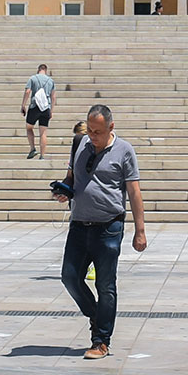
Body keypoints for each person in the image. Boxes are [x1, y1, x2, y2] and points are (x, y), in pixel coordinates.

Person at [55, 105, 148, 359]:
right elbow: (71, 178)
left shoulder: (124, 150)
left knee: (105, 284)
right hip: (78, 225)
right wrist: (64, 190)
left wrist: (140, 231)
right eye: (90, 130)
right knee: (69, 277)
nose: (92, 136)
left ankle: (101, 340)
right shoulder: (80, 144)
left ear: (111, 128)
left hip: (108, 227)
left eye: (98, 132)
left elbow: (134, 192)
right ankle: (98, 315)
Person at [23, 63, 56, 159]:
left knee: (29, 128)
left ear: (38, 70)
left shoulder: (33, 78)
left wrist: (23, 105)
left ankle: (33, 149)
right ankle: (42, 155)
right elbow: (53, 97)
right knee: (43, 133)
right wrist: (51, 111)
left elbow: (27, 91)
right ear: (46, 71)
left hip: (34, 106)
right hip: (46, 108)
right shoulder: (51, 81)